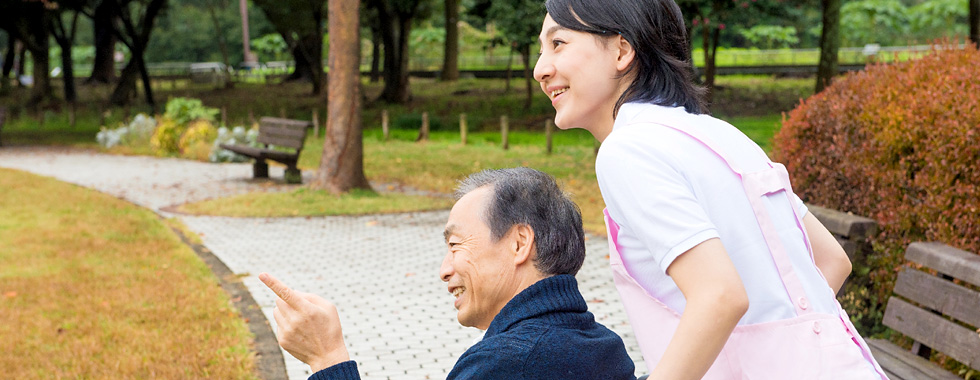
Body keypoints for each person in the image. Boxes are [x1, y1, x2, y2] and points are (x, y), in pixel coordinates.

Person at [532, 1, 889, 379]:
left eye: (558, 44)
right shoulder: (720, 134)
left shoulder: (628, 150)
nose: (541, 68)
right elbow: (832, 260)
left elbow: (719, 295)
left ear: (622, 50)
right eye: (541, 49)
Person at [259, 168, 637, 380]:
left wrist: (327, 358)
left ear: (519, 243)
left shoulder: (507, 363)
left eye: (455, 246)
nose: (444, 270)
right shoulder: (605, 345)